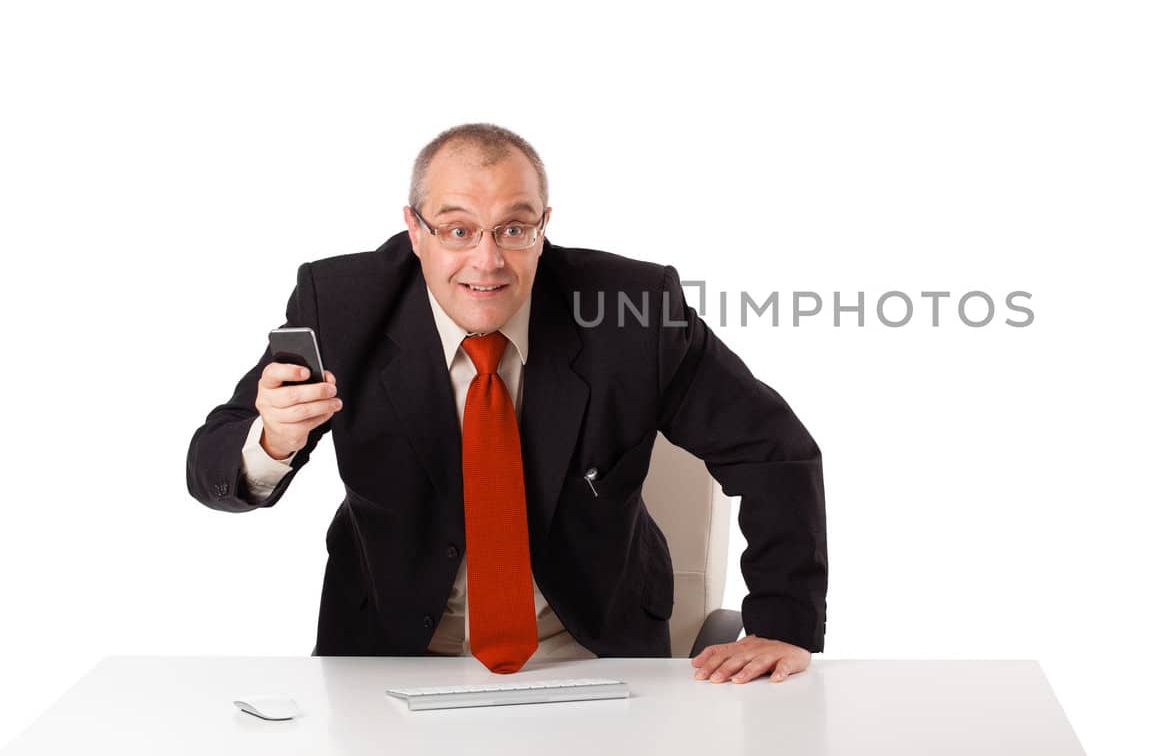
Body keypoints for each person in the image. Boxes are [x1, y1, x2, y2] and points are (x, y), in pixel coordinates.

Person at [186, 123, 827, 684]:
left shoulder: (635, 310)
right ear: (414, 229)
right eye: (458, 229)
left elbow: (773, 451)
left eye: (513, 228)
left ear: (544, 227)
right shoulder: (342, 305)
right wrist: (270, 440)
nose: (487, 261)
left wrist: (784, 622)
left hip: (591, 655)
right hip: (390, 658)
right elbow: (209, 470)